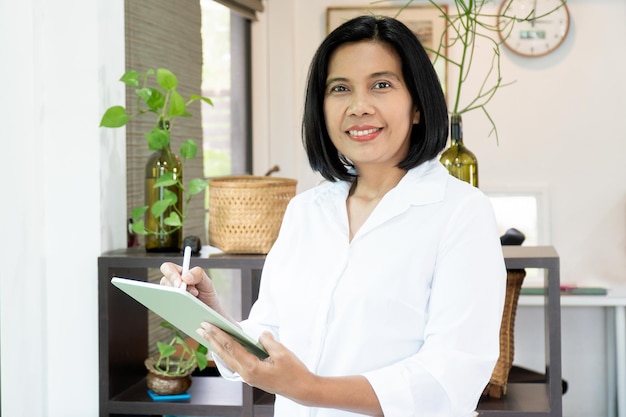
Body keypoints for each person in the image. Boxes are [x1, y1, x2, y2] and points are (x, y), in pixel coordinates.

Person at [160, 15, 506, 417]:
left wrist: (310, 390)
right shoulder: (306, 212)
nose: (359, 106)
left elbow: (450, 378)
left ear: (417, 106)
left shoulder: (461, 212)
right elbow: (272, 336)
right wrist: (213, 316)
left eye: (382, 84)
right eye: (340, 88)